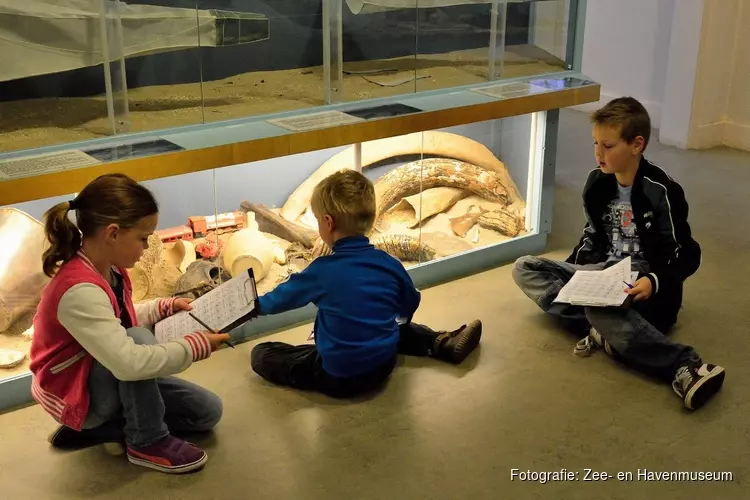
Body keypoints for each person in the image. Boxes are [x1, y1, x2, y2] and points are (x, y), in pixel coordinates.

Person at [512, 97, 725, 411]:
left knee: (598, 308)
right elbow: (592, 237)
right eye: (595, 143)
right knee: (525, 268)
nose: (599, 153)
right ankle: (609, 331)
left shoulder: (661, 190)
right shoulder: (596, 183)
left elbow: (687, 253)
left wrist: (654, 281)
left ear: (637, 144)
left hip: (644, 287)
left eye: (608, 146)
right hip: (603, 274)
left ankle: (684, 366)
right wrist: (575, 276)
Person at [30, 173, 232, 474]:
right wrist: (196, 345)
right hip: (75, 390)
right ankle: (147, 441)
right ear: (113, 233)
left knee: (205, 413)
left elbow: (117, 317)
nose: (148, 244)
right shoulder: (78, 291)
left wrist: (163, 308)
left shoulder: (108, 269)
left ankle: (106, 428)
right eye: (142, 237)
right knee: (137, 339)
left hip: (104, 372)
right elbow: (129, 363)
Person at [250, 169, 482, 398]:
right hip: (384, 366)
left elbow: (280, 299)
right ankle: (440, 342)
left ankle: (423, 342)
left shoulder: (322, 271)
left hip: (339, 377)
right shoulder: (389, 263)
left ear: (328, 223)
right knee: (396, 327)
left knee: (262, 354)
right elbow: (410, 302)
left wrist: (251, 305)